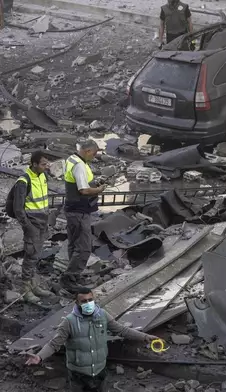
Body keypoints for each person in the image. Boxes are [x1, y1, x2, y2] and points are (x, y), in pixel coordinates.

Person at [24, 287, 159, 391]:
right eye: (84, 301)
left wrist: (145, 337)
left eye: (90, 300)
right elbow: (54, 344)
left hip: (100, 370)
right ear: (77, 302)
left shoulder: (102, 315)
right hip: (78, 374)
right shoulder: (69, 322)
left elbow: (122, 330)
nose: (88, 303)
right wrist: (39, 356)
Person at [60, 140, 107, 292]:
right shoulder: (79, 165)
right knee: (85, 247)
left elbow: (81, 183)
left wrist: (93, 182)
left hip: (72, 209)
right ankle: (70, 278)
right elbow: (83, 190)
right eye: (93, 154)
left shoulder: (72, 159)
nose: (94, 157)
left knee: (73, 244)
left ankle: (72, 274)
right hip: (79, 211)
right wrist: (99, 189)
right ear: (87, 151)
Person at [12, 151, 54, 303]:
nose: (46, 166)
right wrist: (27, 226)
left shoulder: (42, 176)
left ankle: (34, 285)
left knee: (37, 254)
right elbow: (18, 209)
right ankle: (25, 289)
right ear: (34, 164)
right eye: (43, 164)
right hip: (32, 224)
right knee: (30, 256)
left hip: (43, 222)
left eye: (46, 163)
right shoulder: (23, 181)